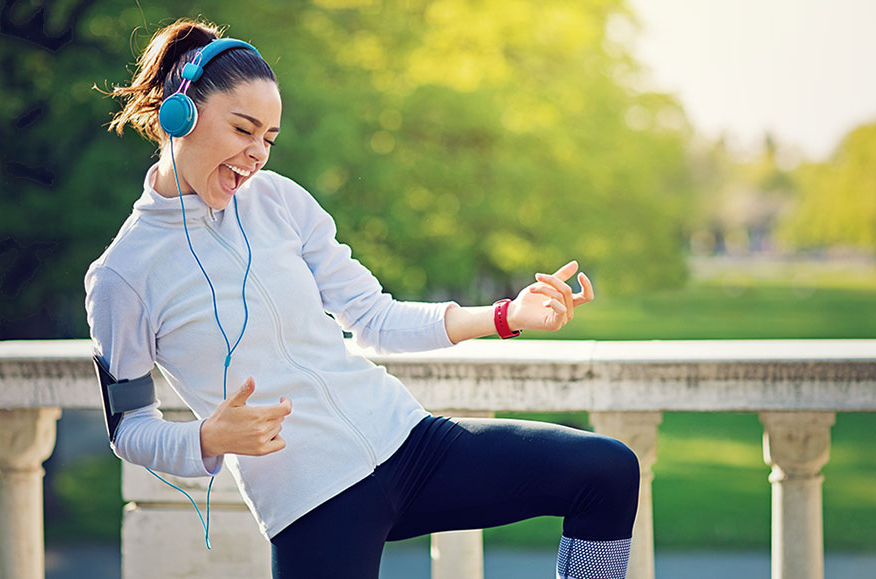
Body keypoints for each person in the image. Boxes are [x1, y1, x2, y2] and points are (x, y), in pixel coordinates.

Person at [86, 18, 639, 579]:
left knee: (606, 470)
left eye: (269, 139)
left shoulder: (278, 201)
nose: (257, 155)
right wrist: (206, 438)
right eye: (242, 130)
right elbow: (128, 428)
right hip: (312, 501)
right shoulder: (122, 276)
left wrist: (506, 315)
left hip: (408, 443)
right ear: (182, 113)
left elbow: (373, 317)